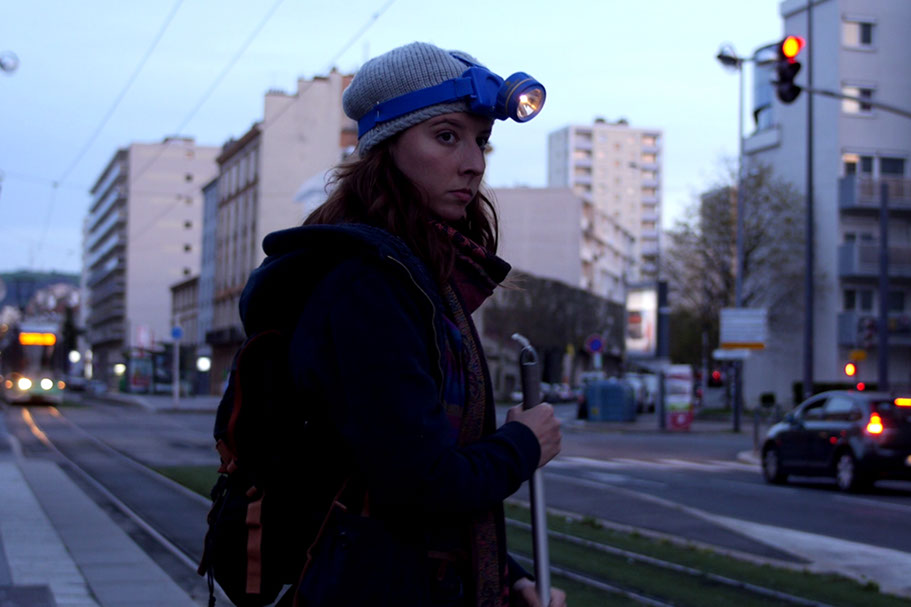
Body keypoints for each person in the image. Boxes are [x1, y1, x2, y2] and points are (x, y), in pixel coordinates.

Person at [239, 41, 566, 607]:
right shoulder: (368, 286)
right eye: (447, 136)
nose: (474, 162)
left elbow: (394, 474)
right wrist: (523, 444)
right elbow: (420, 483)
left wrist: (508, 578)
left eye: (481, 141)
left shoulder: (418, 278)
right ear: (386, 148)